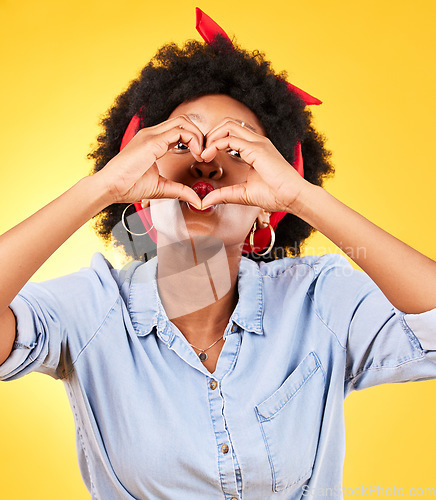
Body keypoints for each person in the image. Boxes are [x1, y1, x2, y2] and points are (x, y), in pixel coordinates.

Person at [1, 8, 435, 500]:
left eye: (239, 151)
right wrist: (101, 189)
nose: (206, 165)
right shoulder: (90, 311)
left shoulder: (322, 301)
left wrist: (301, 198)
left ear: (265, 214)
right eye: (181, 141)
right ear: (140, 194)